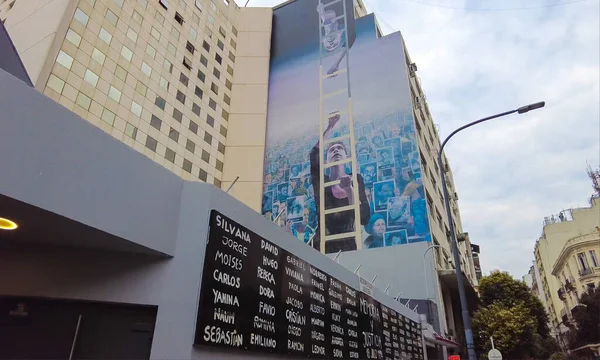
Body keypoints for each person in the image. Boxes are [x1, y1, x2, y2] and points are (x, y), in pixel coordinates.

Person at [310, 113, 370, 253]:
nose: (336, 150)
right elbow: (314, 155)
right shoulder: (322, 181)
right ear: (326, 161)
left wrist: (349, 190)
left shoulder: (355, 179)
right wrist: (330, 126)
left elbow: (364, 218)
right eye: (331, 150)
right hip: (323, 246)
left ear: (347, 156)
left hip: (348, 245)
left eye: (340, 149)